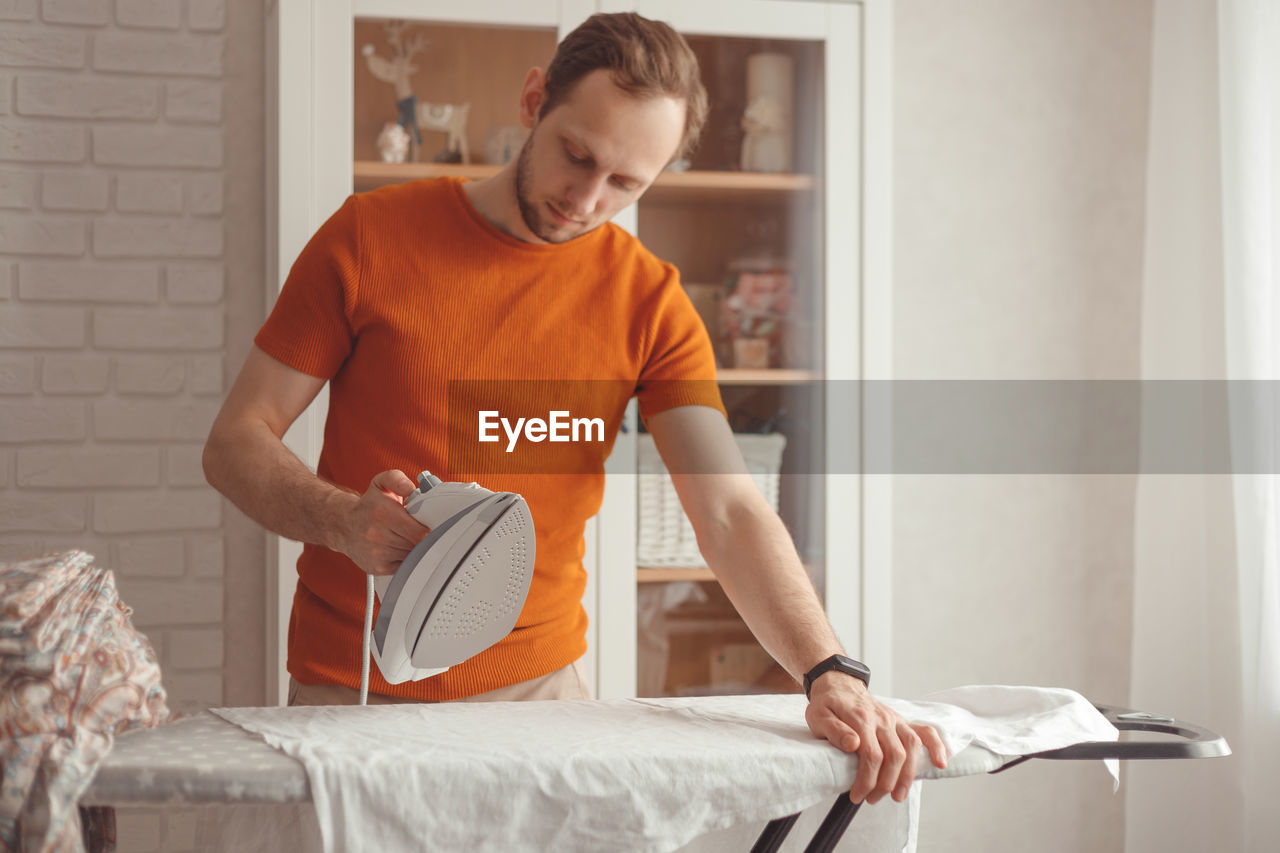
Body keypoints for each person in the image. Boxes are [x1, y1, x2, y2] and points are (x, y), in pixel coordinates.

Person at [203, 11, 946, 807]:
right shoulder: (369, 238)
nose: (586, 200)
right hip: (349, 693)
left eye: (626, 183)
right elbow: (236, 441)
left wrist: (829, 668)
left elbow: (728, 507)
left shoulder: (650, 302)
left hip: (543, 698)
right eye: (577, 155)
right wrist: (342, 519)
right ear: (534, 101)